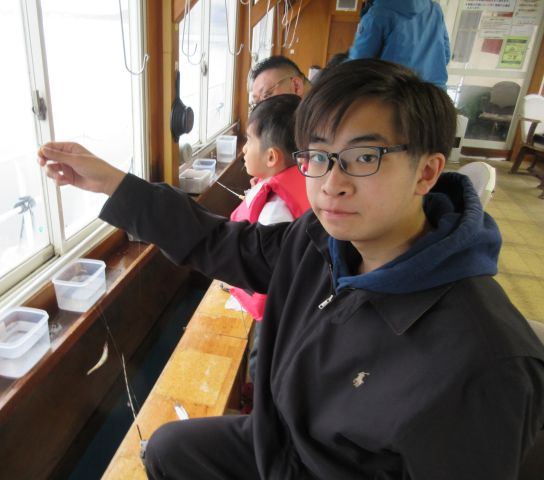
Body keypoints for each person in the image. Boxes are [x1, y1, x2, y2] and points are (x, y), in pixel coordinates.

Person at [38, 59, 544, 479]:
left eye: (364, 157)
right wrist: (114, 184)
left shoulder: (485, 362)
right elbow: (220, 243)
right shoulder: (320, 240)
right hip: (283, 445)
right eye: (318, 156)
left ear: (426, 172)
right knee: (168, 450)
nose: (332, 183)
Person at [229, 93, 310, 383]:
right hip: (297, 299)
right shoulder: (303, 177)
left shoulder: (276, 209)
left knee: (260, 364)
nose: (243, 149)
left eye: (248, 140)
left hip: (279, 307)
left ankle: (260, 401)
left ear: (272, 157)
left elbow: (260, 262)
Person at [348, 0, 451, 89]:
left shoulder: (378, 13)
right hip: (435, 97)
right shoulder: (435, 10)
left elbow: (357, 64)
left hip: (395, 94)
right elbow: (445, 55)